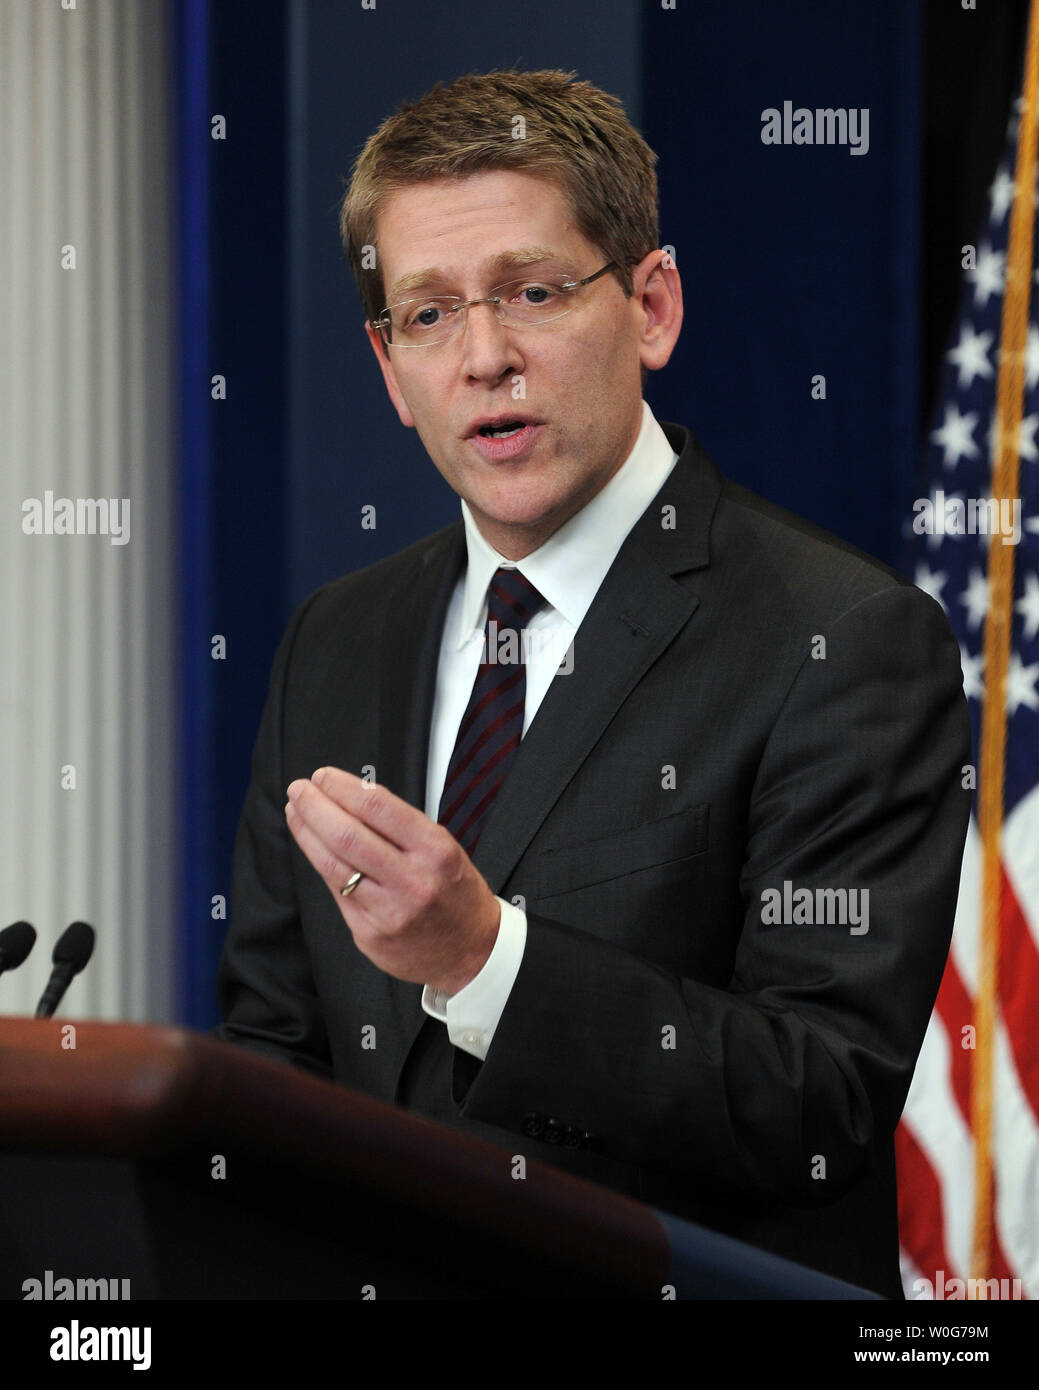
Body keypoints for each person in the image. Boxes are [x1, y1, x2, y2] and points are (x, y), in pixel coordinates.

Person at [216, 69, 971, 1298]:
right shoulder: (335, 640)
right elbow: (271, 1047)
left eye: (532, 292)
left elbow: (821, 1101)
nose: (486, 356)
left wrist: (486, 962)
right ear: (388, 366)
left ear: (652, 305)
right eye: (428, 314)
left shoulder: (845, 639)